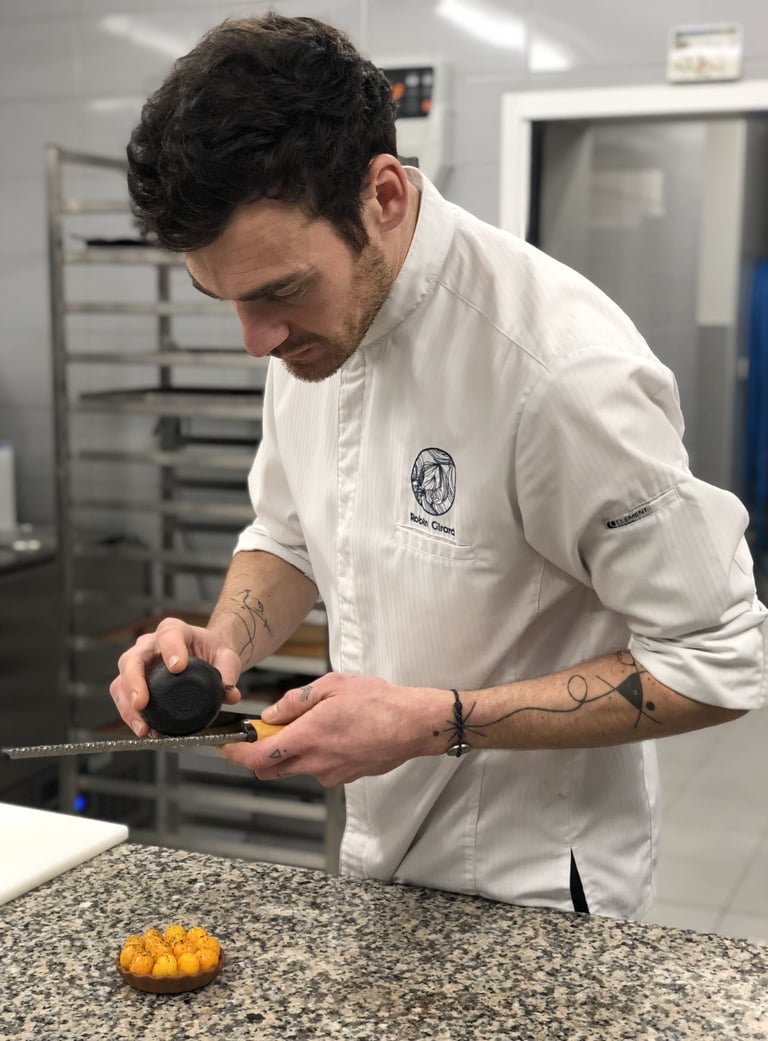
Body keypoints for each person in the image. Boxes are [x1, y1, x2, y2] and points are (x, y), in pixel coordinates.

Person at [110, 12, 767, 919]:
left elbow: (718, 659)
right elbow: (289, 535)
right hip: (378, 866)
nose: (255, 339)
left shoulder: (558, 370)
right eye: (222, 297)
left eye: (278, 293)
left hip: (537, 888)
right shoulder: (307, 340)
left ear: (382, 195)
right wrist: (223, 646)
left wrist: (433, 720)